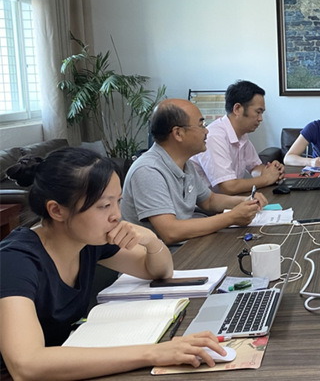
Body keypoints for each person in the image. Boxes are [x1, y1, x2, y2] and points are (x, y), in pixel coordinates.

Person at [0, 148, 227, 380]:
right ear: (57, 210)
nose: (116, 215)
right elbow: (26, 365)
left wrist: (150, 240)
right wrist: (153, 353)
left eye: (117, 202)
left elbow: (158, 271)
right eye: (104, 206)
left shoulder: (86, 240)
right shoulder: (15, 260)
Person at [121, 99, 267, 245]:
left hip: (186, 245)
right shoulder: (148, 170)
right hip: (163, 254)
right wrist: (232, 217)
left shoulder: (186, 164)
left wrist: (244, 201)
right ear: (178, 133)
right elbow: (170, 232)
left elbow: (209, 201)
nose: (207, 131)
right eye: (201, 125)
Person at [191, 80, 284, 194]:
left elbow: (254, 168)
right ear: (237, 109)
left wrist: (272, 171)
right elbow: (228, 187)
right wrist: (266, 179)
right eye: (258, 112)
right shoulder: (214, 136)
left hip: (230, 199)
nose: (260, 119)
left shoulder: (241, 135)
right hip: (209, 203)